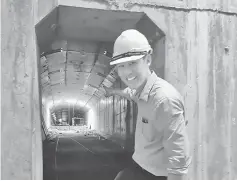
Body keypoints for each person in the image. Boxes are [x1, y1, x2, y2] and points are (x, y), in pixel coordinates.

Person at [104, 29, 191, 180]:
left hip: (155, 176)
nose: (127, 72)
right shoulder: (140, 91)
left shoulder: (164, 100)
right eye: (121, 66)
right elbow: (129, 93)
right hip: (138, 167)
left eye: (133, 63)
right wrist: (112, 92)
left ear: (148, 59)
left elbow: (179, 155)